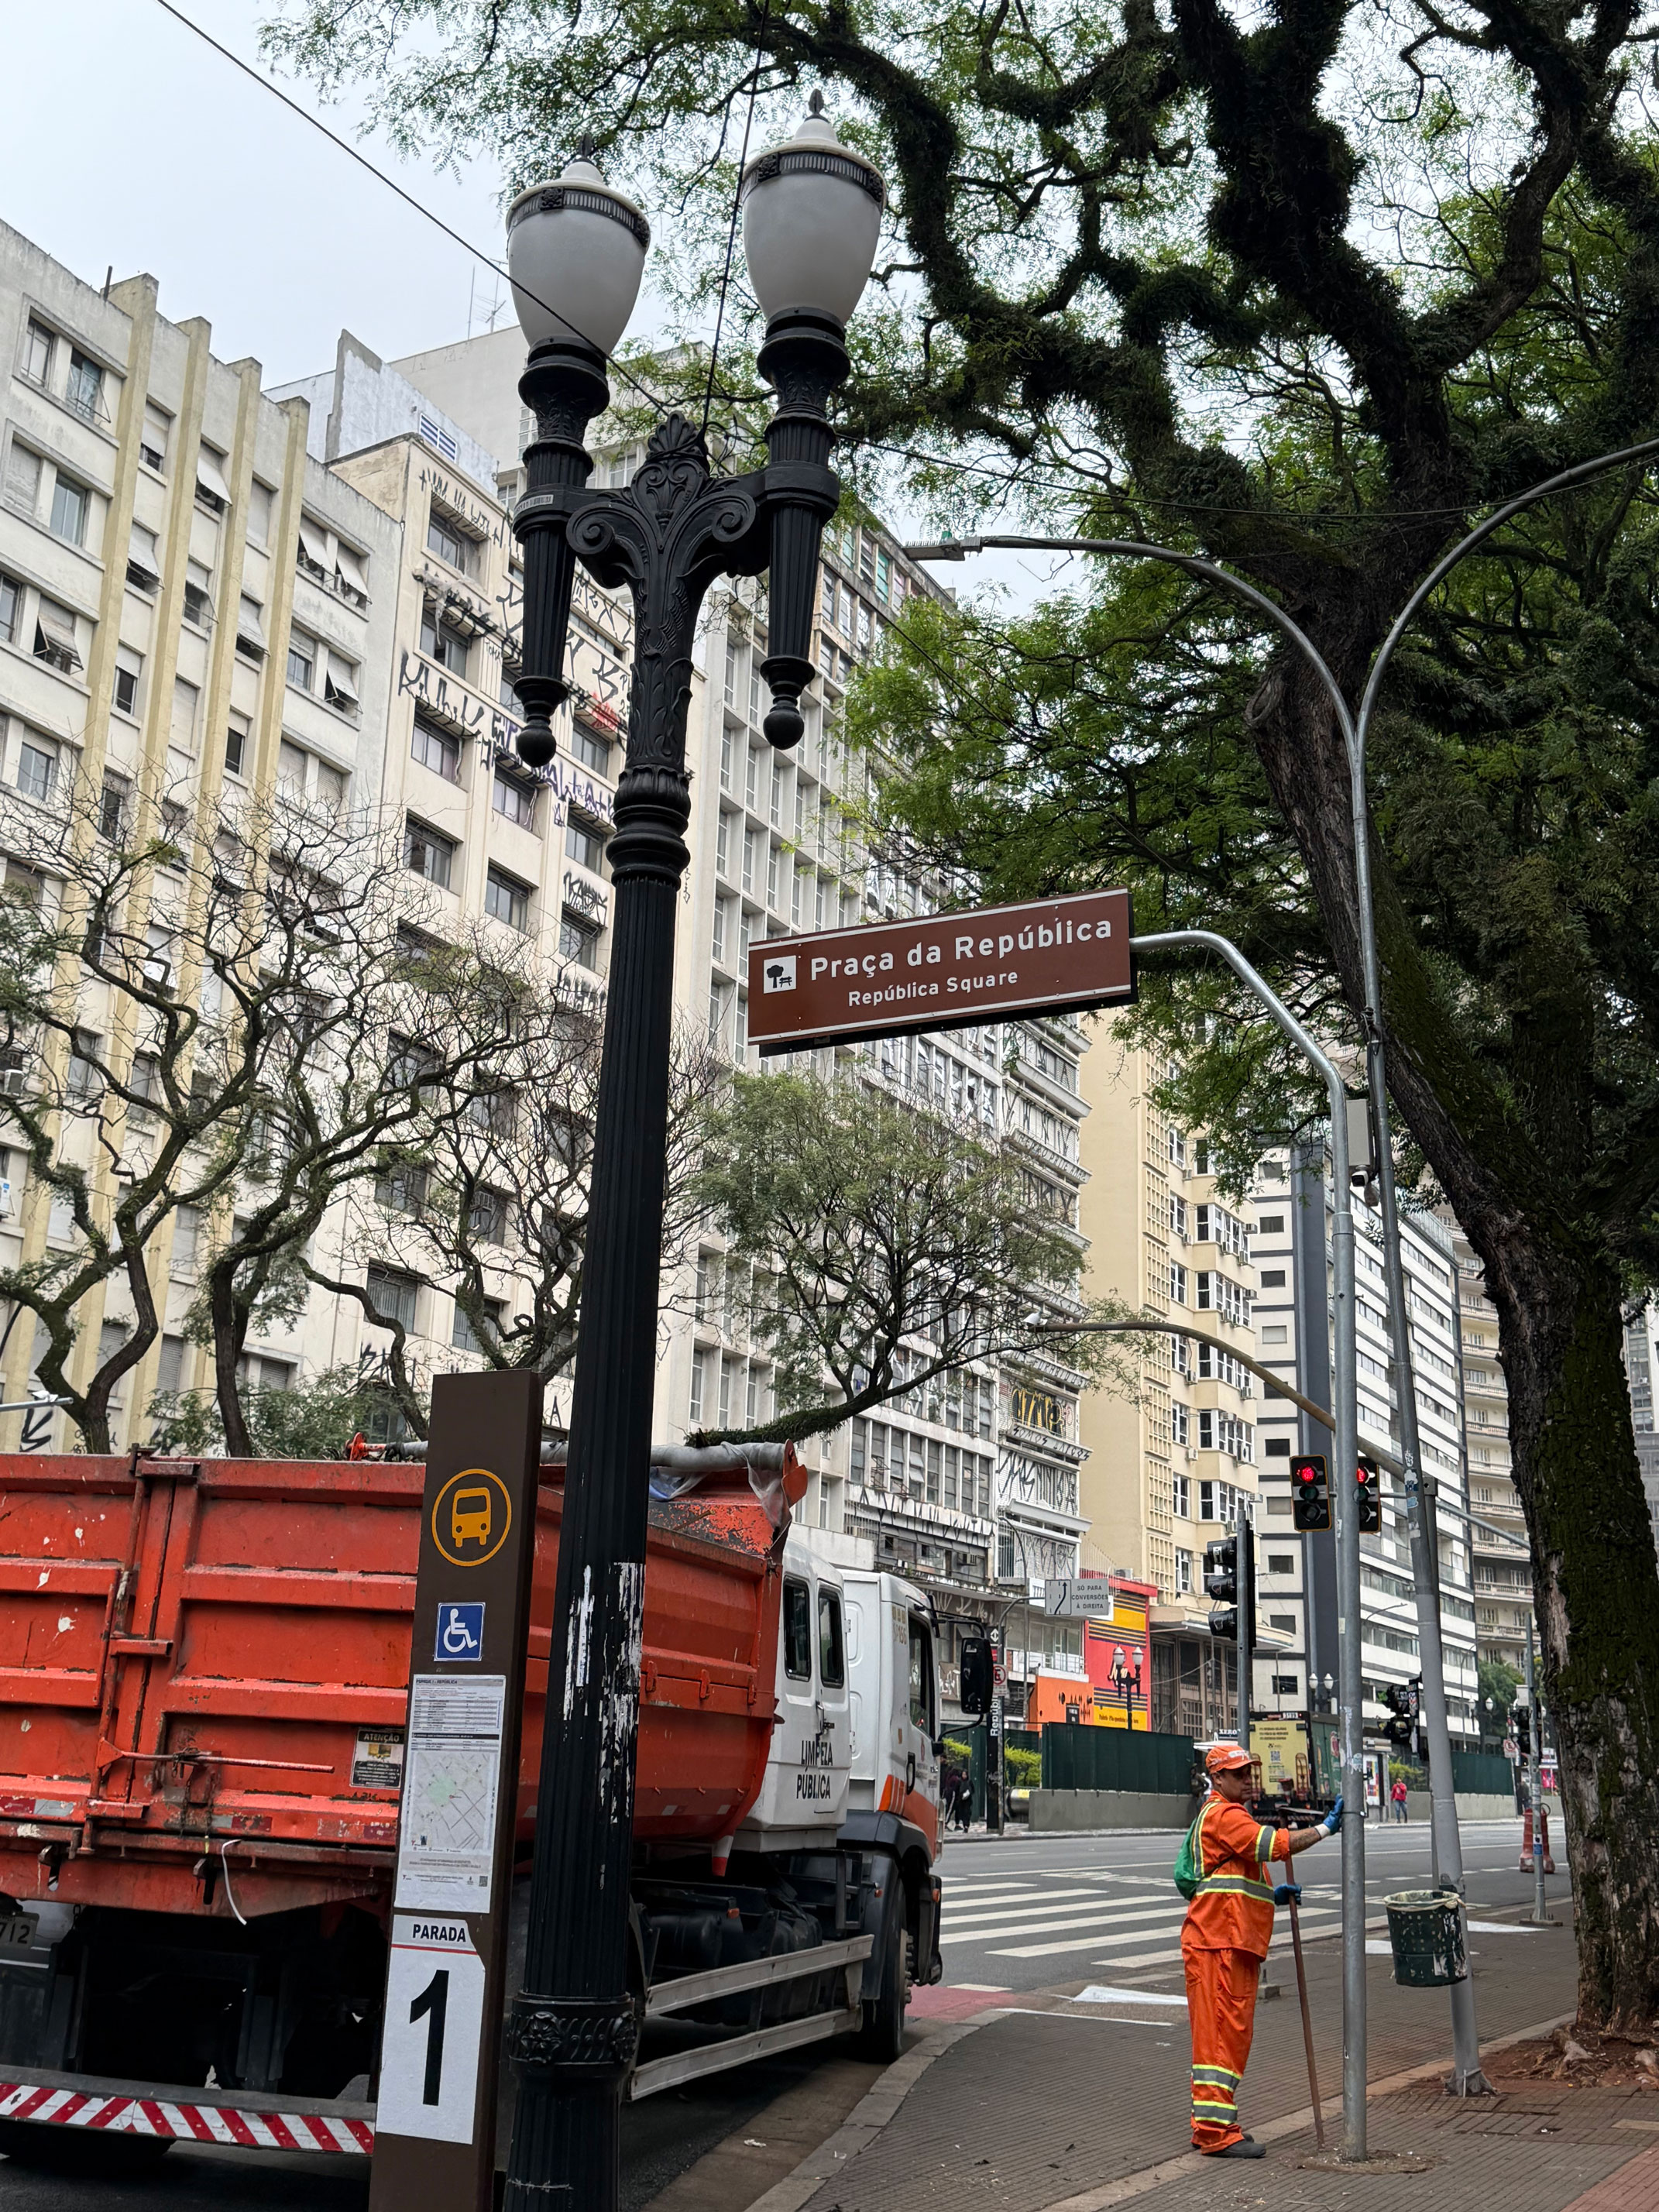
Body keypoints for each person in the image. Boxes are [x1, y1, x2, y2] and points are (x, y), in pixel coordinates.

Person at [1182, 1743, 1342, 2159]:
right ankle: (1215, 2134)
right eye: (1239, 1774)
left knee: (1228, 2037)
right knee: (1220, 2040)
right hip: (1219, 1944)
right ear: (1218, 1778)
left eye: (1249, 1772)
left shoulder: (1225, 1816)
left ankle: (1217, 2126)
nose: (1248, 1779)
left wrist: (1271, 1896)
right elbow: (1271, 1845)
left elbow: (1236, 1884)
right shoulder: (1224, 1815)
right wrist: (1324, 1829)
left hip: (1227, 1943)